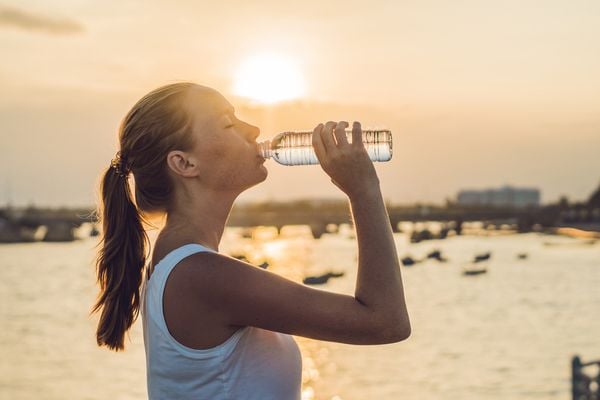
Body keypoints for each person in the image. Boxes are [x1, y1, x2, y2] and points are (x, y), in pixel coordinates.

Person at [92, 82, 410, 400]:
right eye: (229, 123)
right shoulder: (200, 275)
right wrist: (363, 188)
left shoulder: (178, 263)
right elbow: (384, 322)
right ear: (185, 163)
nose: (254, 129)